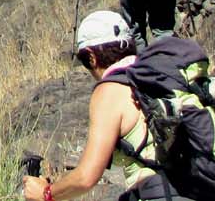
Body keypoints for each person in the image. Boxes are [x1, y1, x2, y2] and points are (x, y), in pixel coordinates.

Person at [22, 11, 188, 201]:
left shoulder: (111, 90)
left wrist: (46, 193)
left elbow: (86, 178)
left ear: (92, 57)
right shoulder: (164, 77)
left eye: (85, 61)